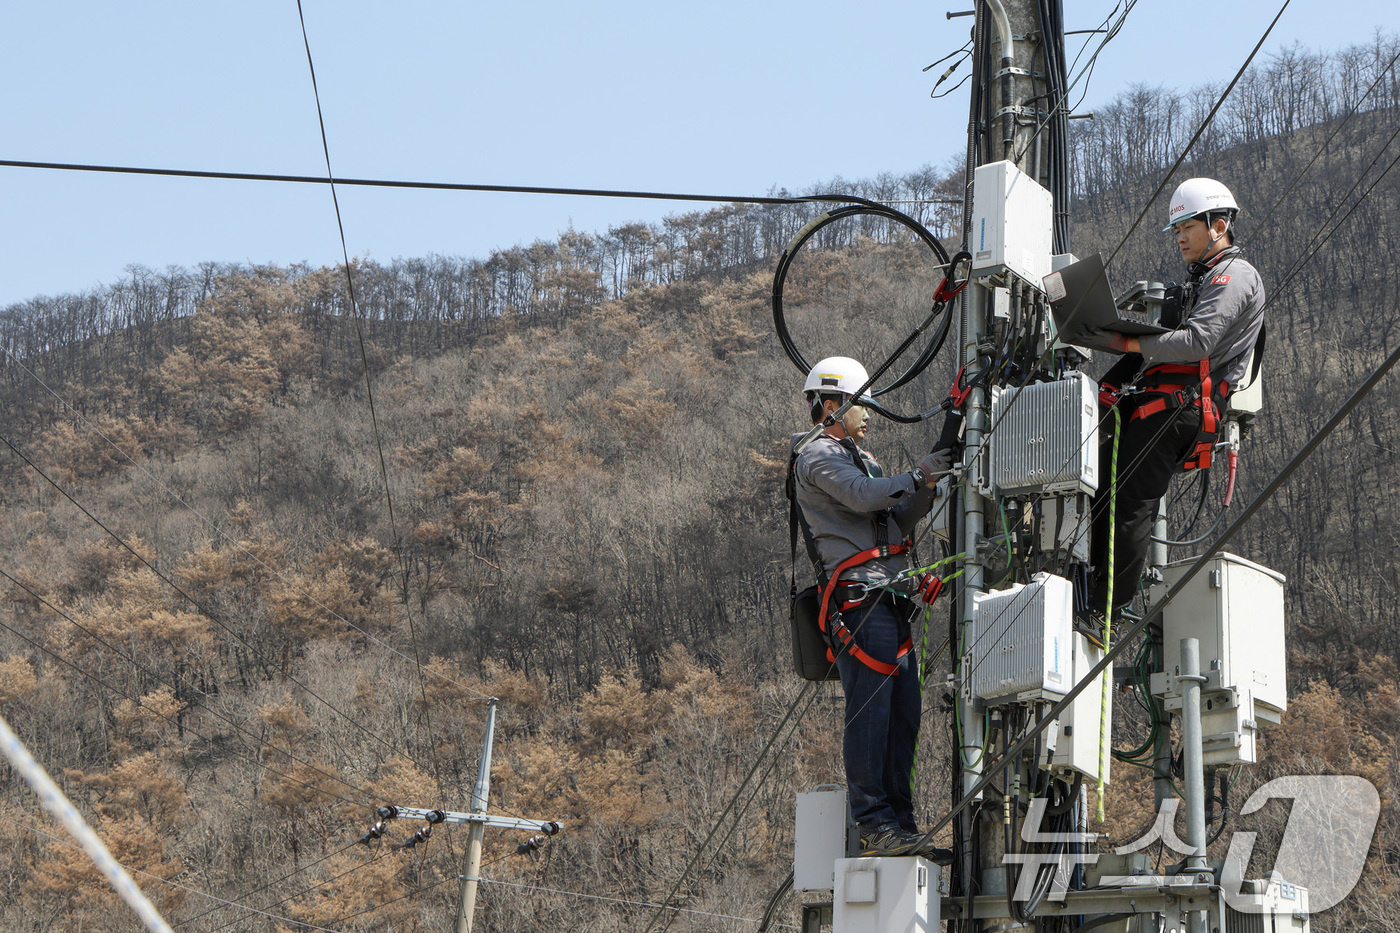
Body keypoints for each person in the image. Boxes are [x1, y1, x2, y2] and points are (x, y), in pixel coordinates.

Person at [1078, 178, 1265, 617]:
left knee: (1130, 501)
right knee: (1100, 487)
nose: (1180, 237)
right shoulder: (1196, 283)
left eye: (1188, 227)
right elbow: (1165, 343)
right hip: (1158, 401)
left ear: (1218, 225)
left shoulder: (1235, 276)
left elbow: (1197, 342)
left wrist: (1126, 342)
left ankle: (1108, 605)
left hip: (1182, 407)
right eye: (1175, 229)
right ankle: (1093, 589)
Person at [790, 355, 953, 859]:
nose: (871, 416)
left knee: (903, 716)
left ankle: (900, 825)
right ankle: (874, 823)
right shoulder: (816, 456)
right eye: (865, 406)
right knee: (871, 714)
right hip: (858, 604)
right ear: (833, 404)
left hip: (889, 600)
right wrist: (916, 474)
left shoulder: (864, 459)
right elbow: (863, 499)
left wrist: (929, 485)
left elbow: (895, 519)